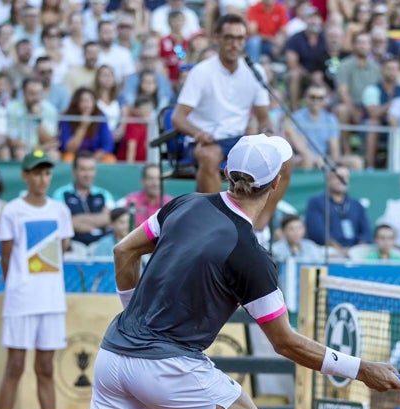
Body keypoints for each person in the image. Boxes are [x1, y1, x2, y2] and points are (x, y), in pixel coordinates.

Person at [74, 134, 400, 409]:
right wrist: (361, 369)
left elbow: (123, 250)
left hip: (113, 356)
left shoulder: (184, 203)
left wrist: (134, 315)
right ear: (276, 183)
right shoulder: (251, 256)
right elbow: (286, 343)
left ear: (228, 172)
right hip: (167, 368)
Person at [0, 150, 77, 409]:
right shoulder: (12, 211)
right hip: (22, 300)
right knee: (14, 366)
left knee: (45, 368)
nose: (41, 178)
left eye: (45, 173)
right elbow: (6, 258)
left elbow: (62, 249)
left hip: (51, 300)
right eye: (35, 173)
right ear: (25, 176)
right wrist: (18, 286)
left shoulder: (60, 210)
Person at [171, 15, 288, 232]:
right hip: (206, 140)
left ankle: (256, 227)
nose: (235, 44)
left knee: (285, 158)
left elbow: (264, 118)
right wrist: (198, 133)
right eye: (229, 38)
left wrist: (269, 135)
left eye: (240, 38)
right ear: (217, 38)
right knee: (209, 156)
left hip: (238, 141)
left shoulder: (255, 71)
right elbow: (178, 117)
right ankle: (218, 224)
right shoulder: (202, 71)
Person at [304, 165, 372, 257]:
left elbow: (366, 232)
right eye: (338, 177)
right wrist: (339, 249)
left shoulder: (356, 204)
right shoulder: (317, 202)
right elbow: (318, 232)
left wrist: (356, 248)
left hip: (354, 250)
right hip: (328, 249)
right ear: (328, 179)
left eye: (345, 178)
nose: (342, 181)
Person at [51, 151, 115, 250]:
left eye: (91, 169)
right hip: (73, 247)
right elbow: (63, 224)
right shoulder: (61, 194)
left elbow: (109, 219)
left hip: (102, 247)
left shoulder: (104, 194)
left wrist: (77, 220)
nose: (87, 174)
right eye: (83, 169)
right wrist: (98, 224)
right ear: (74, 171)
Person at [59, 88, 116, 164]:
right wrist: (82, 127)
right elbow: (69, 148)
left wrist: (96, 156)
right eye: (83, 101)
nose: (87, 104)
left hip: (95, 156)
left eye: (90, 100)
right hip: (75, 156)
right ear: (76, 103)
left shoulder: (100, 117)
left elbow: (107, 144)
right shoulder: (68, 117)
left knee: (110, 159)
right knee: (68, 158)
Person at [122, 163, 173, 227]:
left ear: (164, 182)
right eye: (151, 178)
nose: (155, 183)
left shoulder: (170, 203)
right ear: (143, 181)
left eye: (159, 179)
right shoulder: (132, 200)